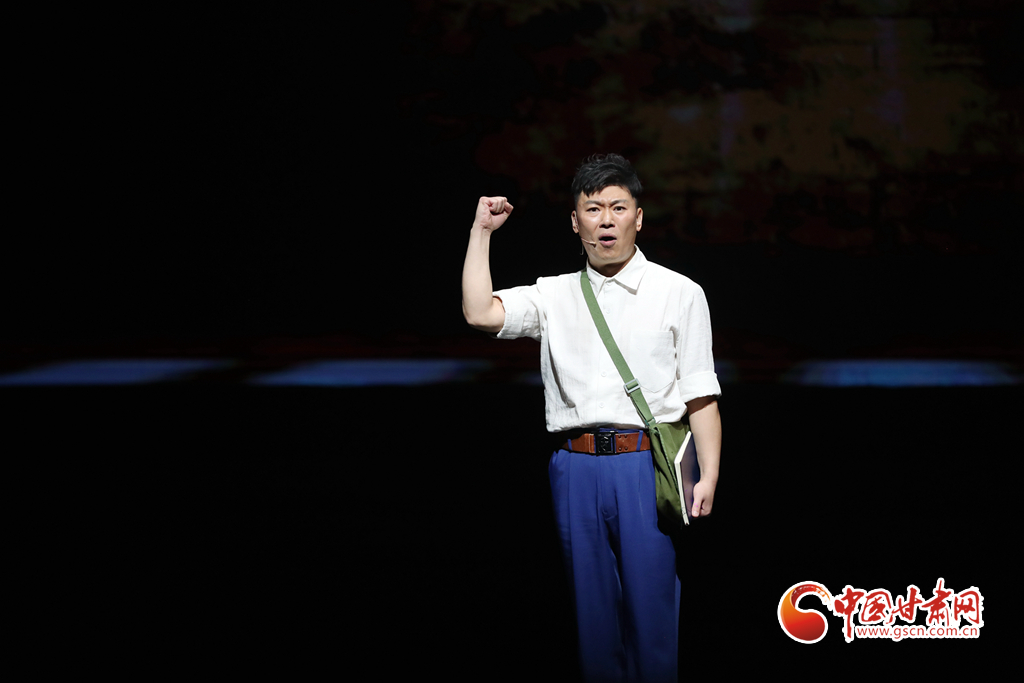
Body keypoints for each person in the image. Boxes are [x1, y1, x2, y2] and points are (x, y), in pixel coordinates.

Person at [462, 153, 722, 683]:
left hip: (644, 466)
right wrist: (481, 232)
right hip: (574, 467)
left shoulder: (679, 292)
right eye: (594, 209)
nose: (606, 220)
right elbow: (480, 313)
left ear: (638, 218)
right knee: (592, 619)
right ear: (575, 221)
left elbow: (700, 392)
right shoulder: (554, 294)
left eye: (618, 208)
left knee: (652, 613)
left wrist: (709, 473)